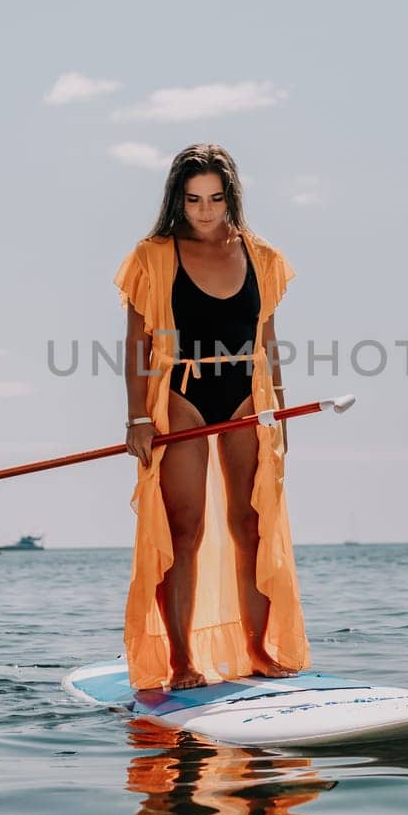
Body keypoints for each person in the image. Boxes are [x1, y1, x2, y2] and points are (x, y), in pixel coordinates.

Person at [114, 144, 310, 691]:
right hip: (182, 395)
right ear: (178, 197)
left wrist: (283, 410)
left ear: (231, 198)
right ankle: (181, 661)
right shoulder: (153, 256)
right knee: (185, 530)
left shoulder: (260, 256)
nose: (204, 210)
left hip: (248, 396)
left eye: (216, 198)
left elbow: (268, 338)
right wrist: (136, 417)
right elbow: (138, 344)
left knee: (250, 524)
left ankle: (256, 649)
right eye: (194, 198)